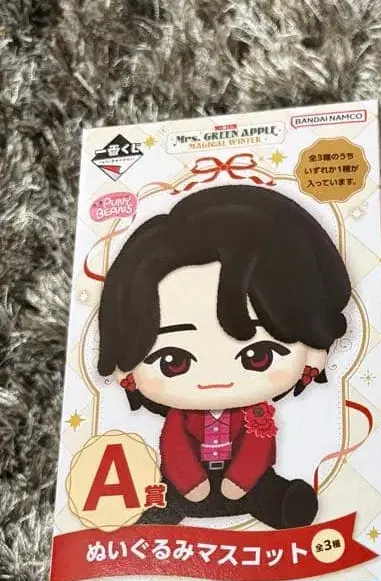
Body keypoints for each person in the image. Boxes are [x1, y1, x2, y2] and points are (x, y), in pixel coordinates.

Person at [97, 185, 351, 529]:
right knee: (167, 499)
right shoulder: (181, 417)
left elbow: (259, 445)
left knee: (268, 492)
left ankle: (283, 506)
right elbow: (174, 445)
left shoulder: (257, 414)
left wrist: (240, 480)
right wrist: (190, 482)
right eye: (174, 362)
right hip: (189, 485)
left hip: (248, 483)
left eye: (258, 356)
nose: (215, 378)